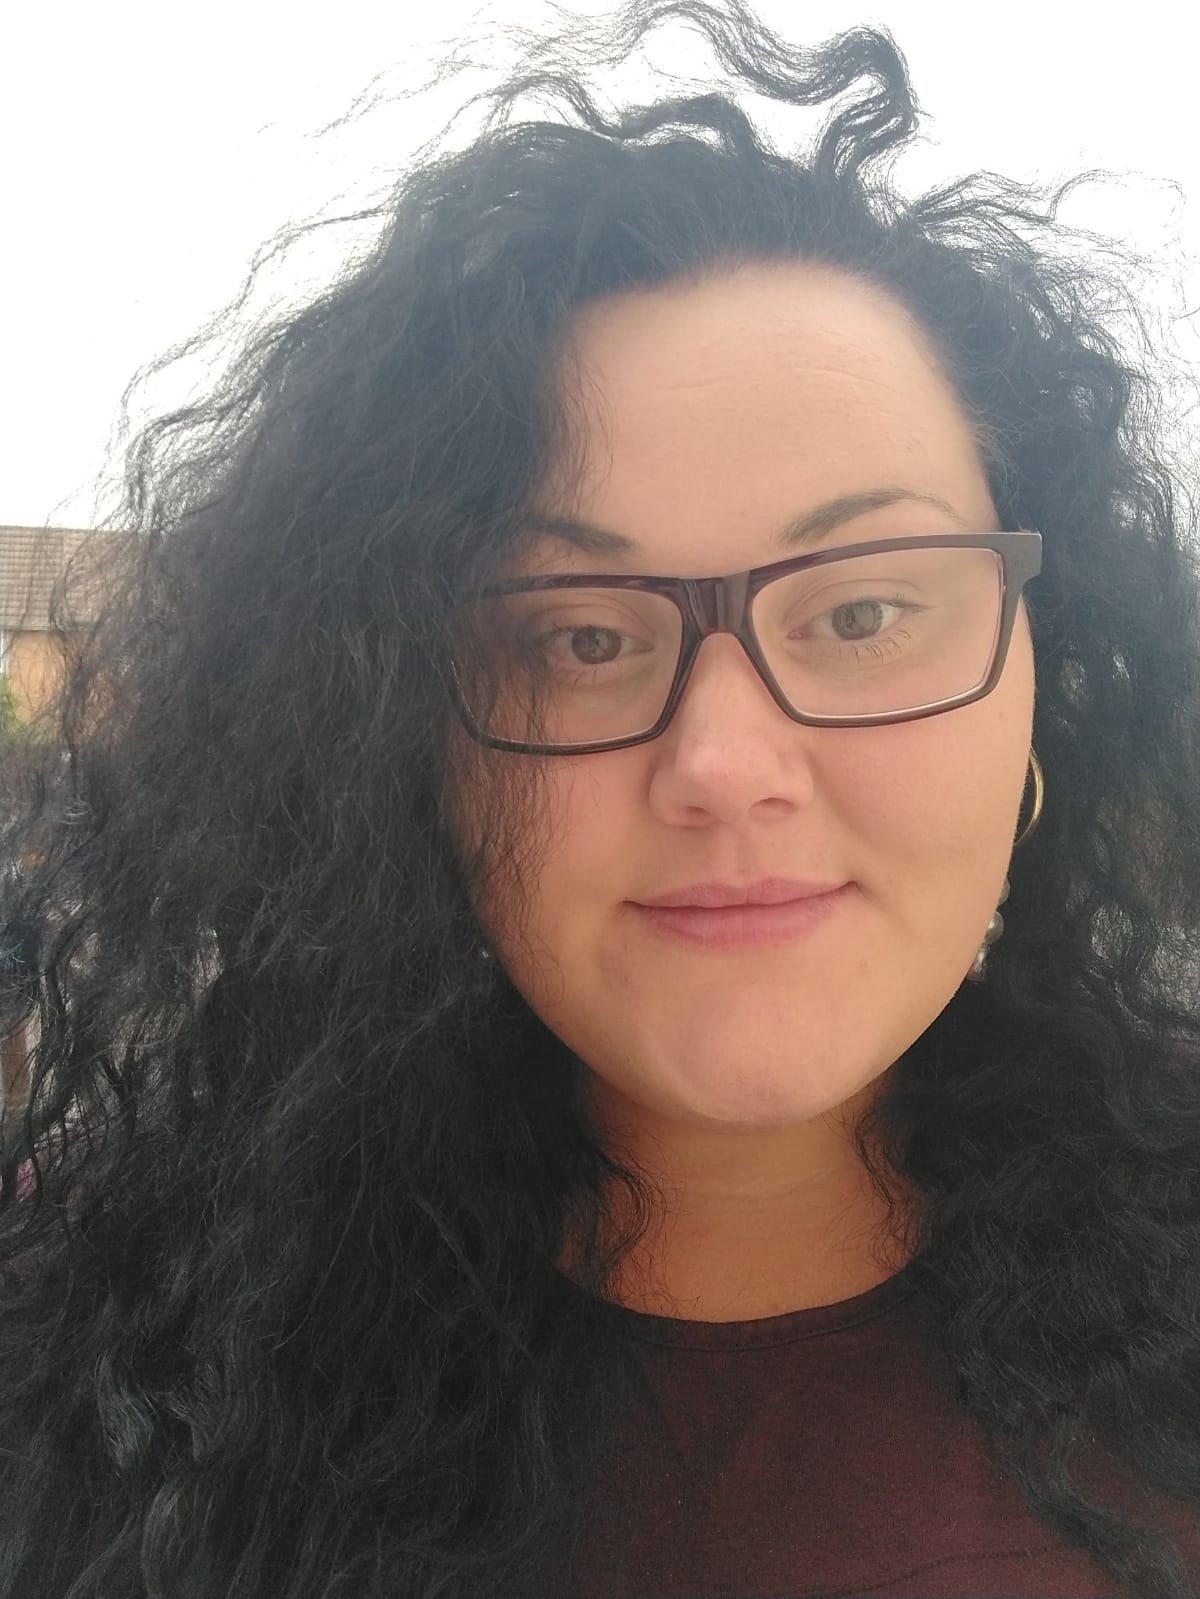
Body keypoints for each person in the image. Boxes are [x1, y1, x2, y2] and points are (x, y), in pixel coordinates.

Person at [1, 2, 1199, 1595]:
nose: (724, 766)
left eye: (862, 610)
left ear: (1047, 675)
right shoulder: (105, 1380)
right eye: (577, 639)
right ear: (397, 746)